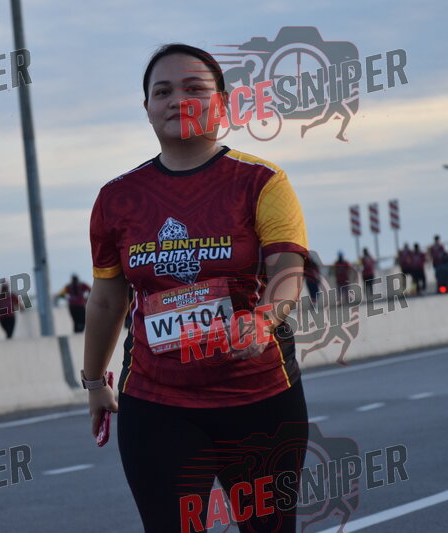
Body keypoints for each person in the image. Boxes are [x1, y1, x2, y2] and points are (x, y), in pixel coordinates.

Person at [84, 44, 309, 533]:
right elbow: (106, 299)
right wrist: (94, 383)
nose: (177, 100)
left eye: (194, 88)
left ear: (222, 103)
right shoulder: (117, 198)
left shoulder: (262, 181)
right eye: (162, 91)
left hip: (259, 397)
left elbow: (288, 269)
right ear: (147, 108)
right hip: (156, 400)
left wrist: (265, 317)